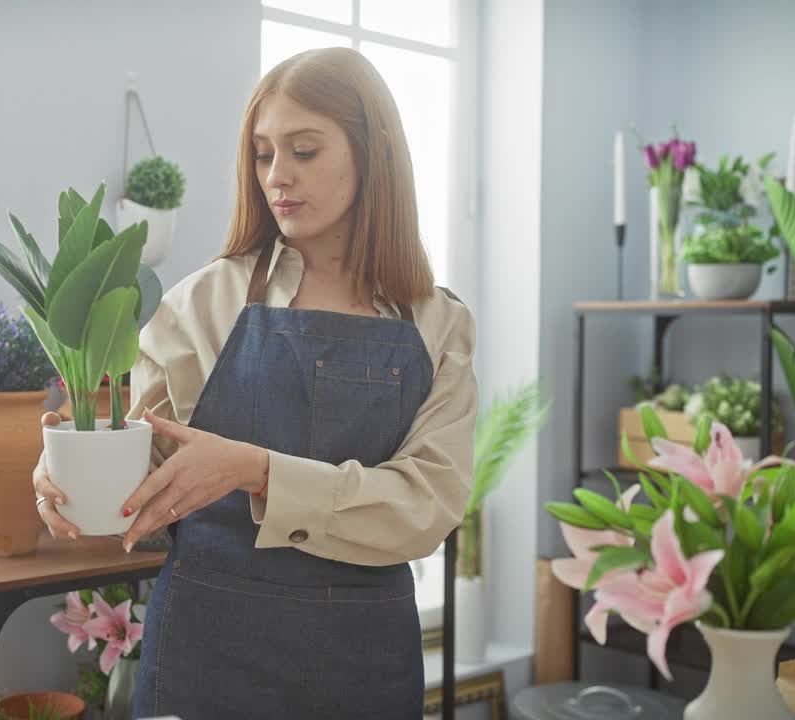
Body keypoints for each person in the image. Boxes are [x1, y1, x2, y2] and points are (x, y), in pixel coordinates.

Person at [32, 46, 477, 719]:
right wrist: (65, 468)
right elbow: (138, 458)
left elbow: (424, 508)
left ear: (373, 151)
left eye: (304, 150)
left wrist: (260, 471)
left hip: (365, 666)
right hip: (207, 655)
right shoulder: (205, 302)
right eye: (263, 154)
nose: (277, 177)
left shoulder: (436, 323)